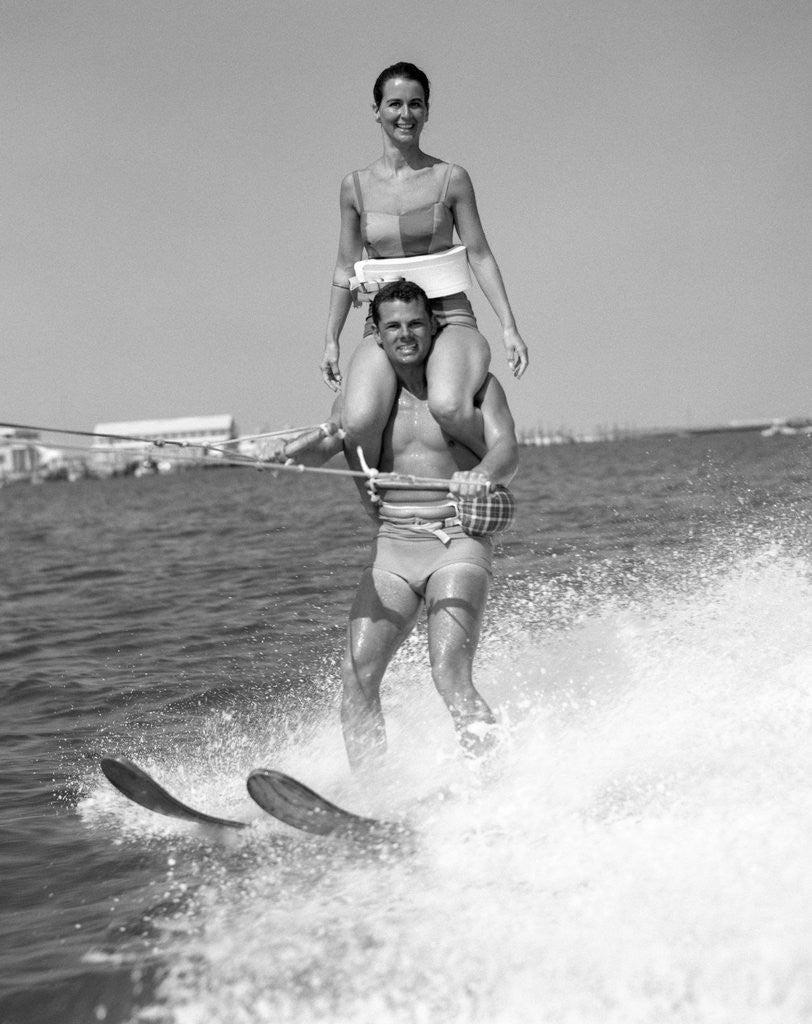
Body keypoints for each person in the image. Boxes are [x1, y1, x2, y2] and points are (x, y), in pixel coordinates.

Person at [302, 281, 519, 771]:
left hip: (456, 543)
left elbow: (508, 450)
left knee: (449, 673)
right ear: (376, 335)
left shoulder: (475, 387)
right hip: (395, 546)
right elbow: (326, 439)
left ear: (435, 325)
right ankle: (374, 801)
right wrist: (284, 453)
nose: (406, 335)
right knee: (358, 677)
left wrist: (482, 474)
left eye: (416, 323)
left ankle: (498, 785)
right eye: (393, 326)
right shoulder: (365, 399)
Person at [320, 61, 528, 475]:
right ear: (376, 111)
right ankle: (379, 508)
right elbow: (345, 268)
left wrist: (509, 326)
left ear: (427, 111)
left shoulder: (451, 178)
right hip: (387, 324)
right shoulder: (354, 187)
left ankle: (492, 474)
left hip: (448, 317)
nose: (405, 114)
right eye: (394, 104)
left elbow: (480, 254)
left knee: (449, 405)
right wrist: (331, 339)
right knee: (358, 421)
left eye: (416, 104)